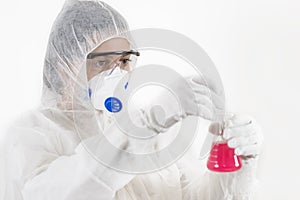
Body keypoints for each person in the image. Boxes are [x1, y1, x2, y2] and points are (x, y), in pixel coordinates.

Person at [1, 0, 263, 199]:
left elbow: (190, 194)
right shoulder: (30, 135)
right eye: (103, 62)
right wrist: (145, 125)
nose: (118, 74)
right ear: (64, 66)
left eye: (125, 60)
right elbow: (66, 190)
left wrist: (237, 166)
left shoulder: (151, 130)